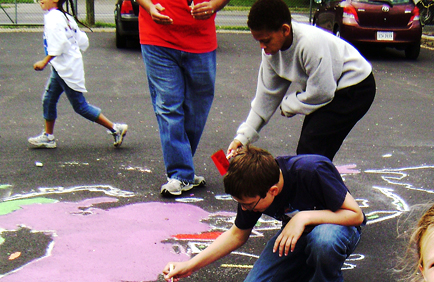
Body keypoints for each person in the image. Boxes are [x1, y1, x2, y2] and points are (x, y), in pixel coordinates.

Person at [162, 145, 365, 282]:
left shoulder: (312, 170)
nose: (246, 209)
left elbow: (356, 215)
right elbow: (237, 234)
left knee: (324, 240)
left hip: (337, 228)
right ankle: (318, 274)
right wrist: (190, 265)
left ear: (273, 191)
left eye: (249, 204)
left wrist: (303, 217)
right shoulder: (251, 187)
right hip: (298, 234)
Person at [226, 0, 376, 163]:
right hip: (329, 88)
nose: (262, 46)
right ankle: (319, 185)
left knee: (311, 148)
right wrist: (242, 138)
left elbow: (322, 93)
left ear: (285, 29)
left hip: (356, 85)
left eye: (266, 40)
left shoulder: (309, 43)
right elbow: (265, 99)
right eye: (259, 41)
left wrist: (289, 105)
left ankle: (321, 187)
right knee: (311, 152)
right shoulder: (271, 53)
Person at [137, 0, 229, 198]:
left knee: (197, 108)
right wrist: (149, 6)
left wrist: (214, 5)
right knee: (168, 105)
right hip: (157, 38)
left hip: (201, 41)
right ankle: (180, 172)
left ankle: (183, 166)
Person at [28, 0, 128, 149]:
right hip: (63, 66)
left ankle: (115, 128)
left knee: (80, 106)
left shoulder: (53, 17)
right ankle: (48, 136)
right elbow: (81, 40)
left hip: (66, 69)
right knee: (48, 99)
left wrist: (44, 61)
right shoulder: (65, 16)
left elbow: (59, 44)